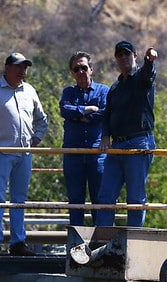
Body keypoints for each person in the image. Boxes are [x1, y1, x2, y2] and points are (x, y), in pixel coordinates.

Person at [0, 52, 49, 256]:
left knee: (19, 200)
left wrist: (37, 138)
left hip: (24, 154)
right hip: (1, 152)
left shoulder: (29, 90)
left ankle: (17, 242)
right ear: (7, 68)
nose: (22, 71)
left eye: (25, 67)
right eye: (18, 67)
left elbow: (42, 119)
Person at [98, 41, 158, 227]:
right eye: (120, 55)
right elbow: (107, 114)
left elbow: (148, 74)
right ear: (116, 59)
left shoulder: (141, 78)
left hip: (138, 142)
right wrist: (106, 135)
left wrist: (150, 61)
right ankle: (103, 238)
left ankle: (133, 239)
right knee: (106, 195)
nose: (123, 57)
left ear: (135, 56)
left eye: (127, 54)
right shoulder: (115, 87)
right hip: (117, 145)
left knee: (135, 197)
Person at [59, 51, 109, 226]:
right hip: (73, 153)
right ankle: (76, 240)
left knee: (100, 200)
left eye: (84, 67)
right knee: (75, 200)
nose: (81, 72)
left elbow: (105, 113)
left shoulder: (103, 91)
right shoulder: (68, 92)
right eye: (76, 69)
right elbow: (65, 110)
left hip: (97, 153)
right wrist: (89, 109)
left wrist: (78, 115)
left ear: (91, 69)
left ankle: (100, 239)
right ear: (72, 73)